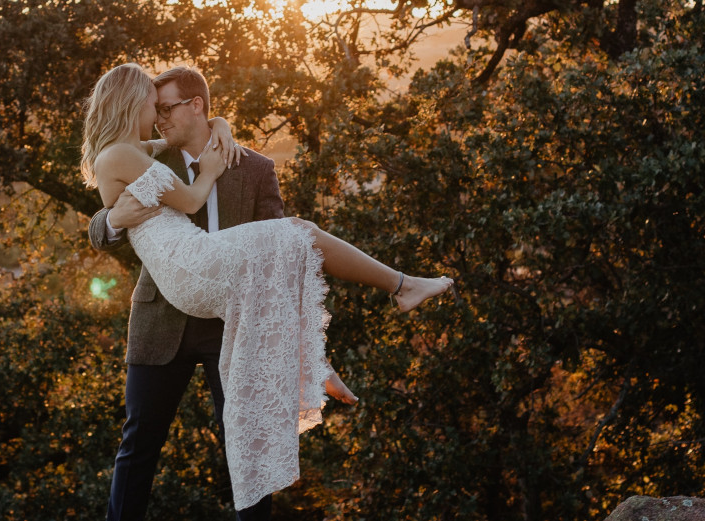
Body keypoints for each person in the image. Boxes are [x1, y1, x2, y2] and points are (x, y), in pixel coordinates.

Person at [85, 64, 453, 514]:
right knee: (138, 444)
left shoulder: (254, 166)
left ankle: (357, 326)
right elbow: (101, 222)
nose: (159, 118)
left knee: (250, 435)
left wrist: (219, 126)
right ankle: (400, 285)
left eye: (167, 109)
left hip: (237, 312)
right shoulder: (149, 156)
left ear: (196, 105)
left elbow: (281, 267)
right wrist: (113, 220)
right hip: (165, 316)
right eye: (154, 109)